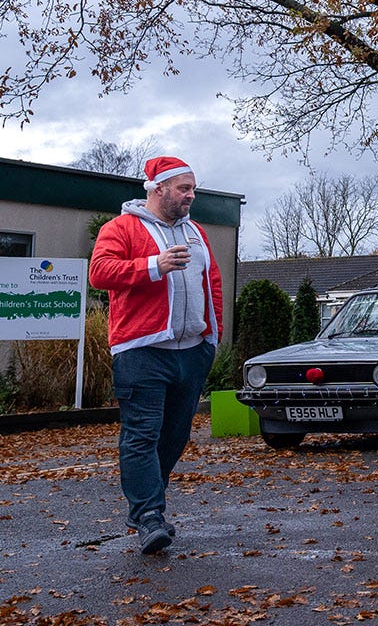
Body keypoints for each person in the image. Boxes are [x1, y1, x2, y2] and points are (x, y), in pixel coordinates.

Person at [89, 156, 223, 555]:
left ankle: (146, 502)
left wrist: (212, 338)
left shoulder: (196, 232)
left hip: (191, 351)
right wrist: (154, 265)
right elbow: (100, 272)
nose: (191, 196)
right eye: (184, 188)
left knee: (176, 434)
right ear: (158, 188)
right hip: (140, 351)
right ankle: (149, 515)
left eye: (193, 188)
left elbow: (211, 280)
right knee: (142, 434)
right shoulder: (121, 228)